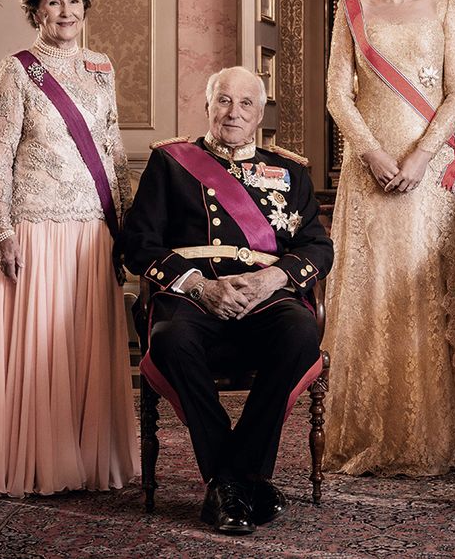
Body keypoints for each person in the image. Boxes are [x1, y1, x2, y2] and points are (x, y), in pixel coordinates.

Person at [117, 66, 333, 536]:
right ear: (208, 106)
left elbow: (318, 247)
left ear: (260, 114)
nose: (234, 113)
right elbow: (139, 244)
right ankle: (244, 481)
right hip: (193, 298)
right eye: (224, 101)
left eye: (246, 104)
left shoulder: (291, 172)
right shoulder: (171, 163)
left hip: (264, 299)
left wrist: (273, 278)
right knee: (170, 339)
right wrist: (199, 286)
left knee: (300, 332)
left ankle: (229, 479)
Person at [0, 0, 137, 497]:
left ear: (86, 7)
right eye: (54, 3)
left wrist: (126, 226)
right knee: (42, 348)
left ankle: (89, 457)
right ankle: (39, 461)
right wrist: (2, 232)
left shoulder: (101, 67)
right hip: (37, 228)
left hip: (93, 229)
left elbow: (114, 149)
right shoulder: (17, 70)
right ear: (35, 11)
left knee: (84, 345)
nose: (66, 12)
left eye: (74, 2)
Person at [322, 0, 455, 476]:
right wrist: (374, 154)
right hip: (369, 173)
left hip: (431, 177)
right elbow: (338, 95)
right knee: (372, 291)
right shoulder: (352, 11)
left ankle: (429, 436)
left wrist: (419, 157)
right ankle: (364, 433)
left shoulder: (446, 8)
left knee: (423, 292)